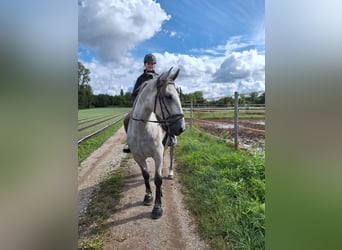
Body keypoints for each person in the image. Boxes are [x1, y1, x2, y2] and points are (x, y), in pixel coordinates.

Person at [123, 53, 176, 153]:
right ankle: (129, 142)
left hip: (155, 106)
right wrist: (136, 105)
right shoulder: (140, 79)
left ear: (154, 65)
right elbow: (134, 94)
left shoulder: (158, 78)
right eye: (149, 63)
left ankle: (171, 137)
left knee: (165, 118)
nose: (150, 65)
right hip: (142, 107)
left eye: (152, 64)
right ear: (145, 64)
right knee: (126, 119)